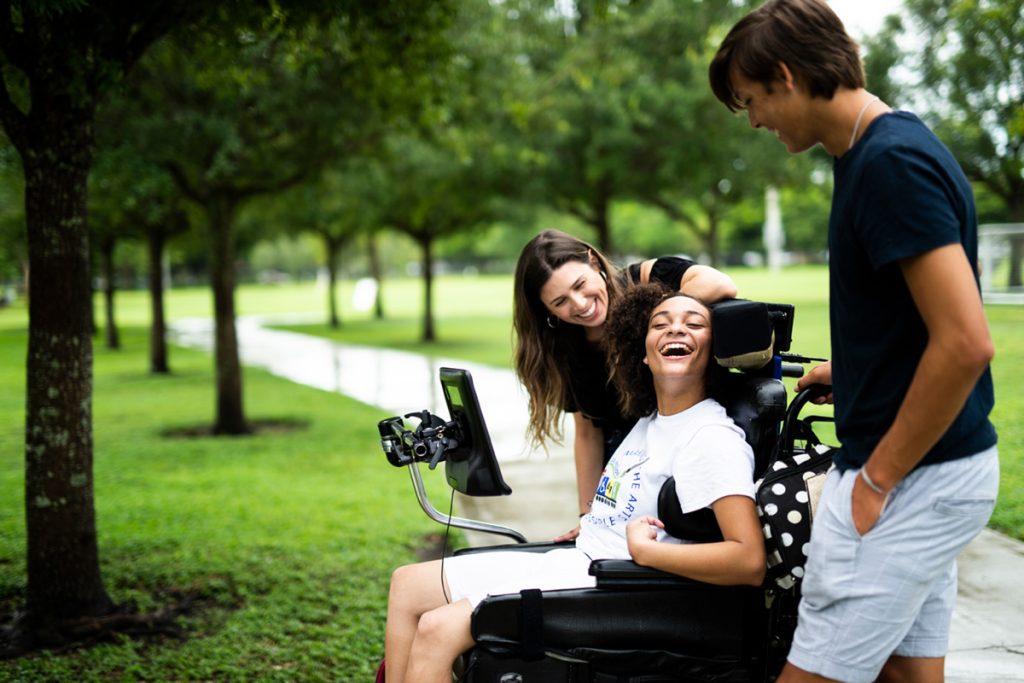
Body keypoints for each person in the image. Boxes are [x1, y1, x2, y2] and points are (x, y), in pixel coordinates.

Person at [709, 2, 999, 682]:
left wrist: (875, 480)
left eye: (751, 101)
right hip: (933, 471)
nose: (753, 120)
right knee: (907, 674)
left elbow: (965, 341)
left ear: (785, 76)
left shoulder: (889, 163)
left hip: (909, 479)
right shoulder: (871, 150)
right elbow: (928, 312)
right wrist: (865, 370)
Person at [383, 285, 765, 683]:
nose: (676, 330)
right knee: (407, 585)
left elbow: (748, 561)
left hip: (617, 587)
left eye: (694, 323)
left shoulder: (710, 437)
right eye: (660, 324)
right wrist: (597, 519)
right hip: (580, 558)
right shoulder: (651, 421)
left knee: (437, 629)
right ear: (643, 352)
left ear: (714, 350)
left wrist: (647, 553)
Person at [513, 229, 737, 537]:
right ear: (546, 310)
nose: (580, 305)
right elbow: (588, 433)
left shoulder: (646, 278)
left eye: (580, 284)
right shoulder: (565, 347)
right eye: (560, 301)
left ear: (594, 262)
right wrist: (588, 516)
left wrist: (652, 323)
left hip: (686, 461)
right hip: (625, 481)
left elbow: (720, 284)